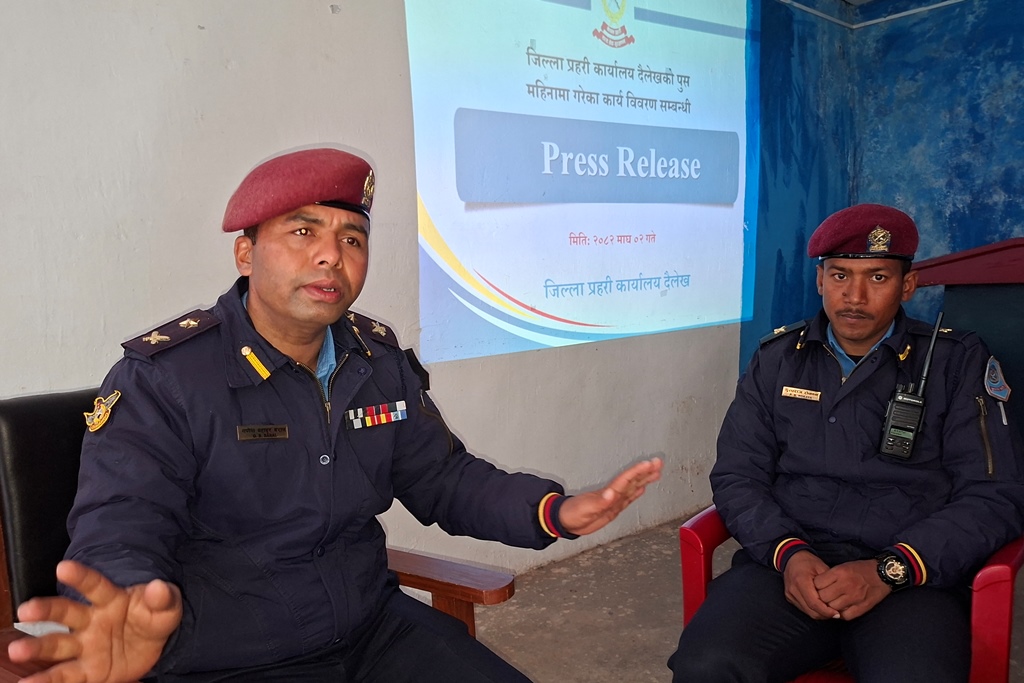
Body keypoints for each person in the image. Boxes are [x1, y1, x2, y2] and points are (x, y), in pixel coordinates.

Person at [8, 147, 663, 683]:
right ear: (245, 253)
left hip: (371, 630)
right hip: (231, 657)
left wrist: (553, 510)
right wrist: (125, 605)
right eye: (303, 232)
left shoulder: (375, 361)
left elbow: (443, 477)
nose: (331, 255)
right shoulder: (165, 379)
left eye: (352, 238)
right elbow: (121, 522)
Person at [668, 203, 1024, 682]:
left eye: (877, 277)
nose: (854, 296)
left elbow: (995, 495)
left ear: (907, 285)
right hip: (790, 567)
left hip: (910, 579)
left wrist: (889, 569)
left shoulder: (956, 362)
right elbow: (738, 475)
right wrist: (788, 554)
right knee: (706, 665)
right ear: (820, 280)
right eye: (839, 275)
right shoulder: (778, 359)